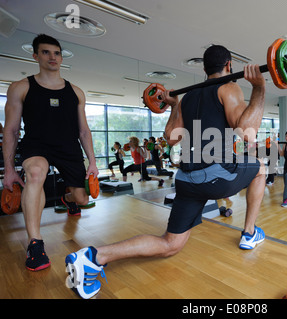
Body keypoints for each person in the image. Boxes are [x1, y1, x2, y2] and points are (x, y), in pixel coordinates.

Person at [65, 45, 267, 299]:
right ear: (229, 65)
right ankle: (249, 233)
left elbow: (171, 137)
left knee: (170, 244)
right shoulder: (230, 87)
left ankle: (94, 257)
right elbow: (248, 133)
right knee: (261, 168)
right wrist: (259, 88)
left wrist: (174, 105)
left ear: (204, 69)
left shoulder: (190, 96)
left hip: (186, 179)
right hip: (217, 176)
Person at [2, 34, 98, 271]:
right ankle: (35, 244)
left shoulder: (76, 92)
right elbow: (11, 131)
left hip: (68, 148)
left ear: (61, 57)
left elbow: (84, 131)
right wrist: (10, 170)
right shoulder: (21, 87)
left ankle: (67, 200)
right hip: (36, 145)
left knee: (82, 199)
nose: (52, 57)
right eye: (45, 52)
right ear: (35, 56)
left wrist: (93, 163)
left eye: (56, 53)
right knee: (36, 172)